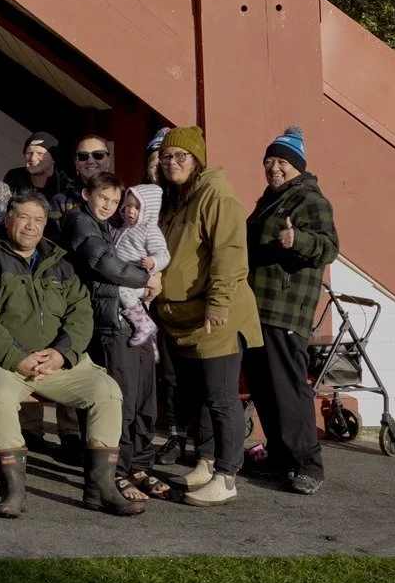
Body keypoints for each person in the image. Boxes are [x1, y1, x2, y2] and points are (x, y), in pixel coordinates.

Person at [0, 192, 141, 518]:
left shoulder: (61, 264)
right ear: (8, 219)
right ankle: (15, 490)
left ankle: (100, 487)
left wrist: (61, 353)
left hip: (56, 363)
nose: (31, 226)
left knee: (107, 391)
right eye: (24, 218)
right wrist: (18, 358)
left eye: (39, 220)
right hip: (4, 363)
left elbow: (81, 314)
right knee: (0, 399)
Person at [155, 125, 262, 507]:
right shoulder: (177, 197)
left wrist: (218, 304)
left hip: (217, 315)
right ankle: (206, 459)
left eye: (180, 156)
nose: (172, 163)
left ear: (197, 159)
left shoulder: (217, 194)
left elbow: (230, 253)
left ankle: (227, 476)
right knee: (197, 395)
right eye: (166, 156)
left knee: (221, 397)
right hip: (184, 318)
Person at [244, 125, 339, 496]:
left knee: (287, 389)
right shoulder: (271, 197)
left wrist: (297, 239)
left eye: (282, 161)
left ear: (297, 165)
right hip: (257, 309)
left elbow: (329, 246)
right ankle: (281, 456)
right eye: (269, 161)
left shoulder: (311, 200)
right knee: (264, 388)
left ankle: (308, 463)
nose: (274, 168)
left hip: (285, 310)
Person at [60, 174, 165, 504]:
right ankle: (115, 472)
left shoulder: (114, 227)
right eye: (102, 198)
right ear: (87, 194)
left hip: (129, 320)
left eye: (114, 201)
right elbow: (103, 262)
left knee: (143, 398)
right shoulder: (80, 221)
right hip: (106, 321)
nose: (109, 206)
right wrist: (146, 277)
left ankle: (139, 465)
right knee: (119, 399)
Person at [109, 186, 167, 346]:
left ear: (149, 209)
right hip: (128, 277)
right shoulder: (125, 228)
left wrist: (153, 262)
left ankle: (144, 325)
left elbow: (164, 254)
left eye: (137, 207)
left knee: (122, 291)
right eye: (128, 205)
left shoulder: (150, 230)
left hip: (138, 279)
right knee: (142, 310)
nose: (130, 211)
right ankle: (152, 344)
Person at [5, 132, 78, 219]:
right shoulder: (13, 178)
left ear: (53, 159)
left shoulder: (66, 187)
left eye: (40, 154)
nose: (33, 158)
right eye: (29, 153)